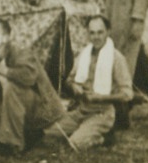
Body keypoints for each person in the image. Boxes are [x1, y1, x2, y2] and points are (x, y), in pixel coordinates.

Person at [0, 17, 64, 157]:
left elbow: (29, 77)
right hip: (20, 108)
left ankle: (11, 145)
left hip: (43, 109)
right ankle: (27, 135)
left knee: (11, 87)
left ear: (6, 37)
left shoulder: (21, 51)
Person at [45, 14, 133, 151]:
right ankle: (84, 131)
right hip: (81, 110)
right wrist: (74, 87)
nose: (96, 37)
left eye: (100, 32)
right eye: (92, 33)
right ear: (88, 34)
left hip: (102, 112)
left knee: (75, 144)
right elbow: (69, 80)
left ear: (108, 32)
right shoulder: (84, 54)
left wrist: (101, 97)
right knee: (49, 134)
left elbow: (128, 94)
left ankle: (103, 137)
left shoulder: (116, 58)